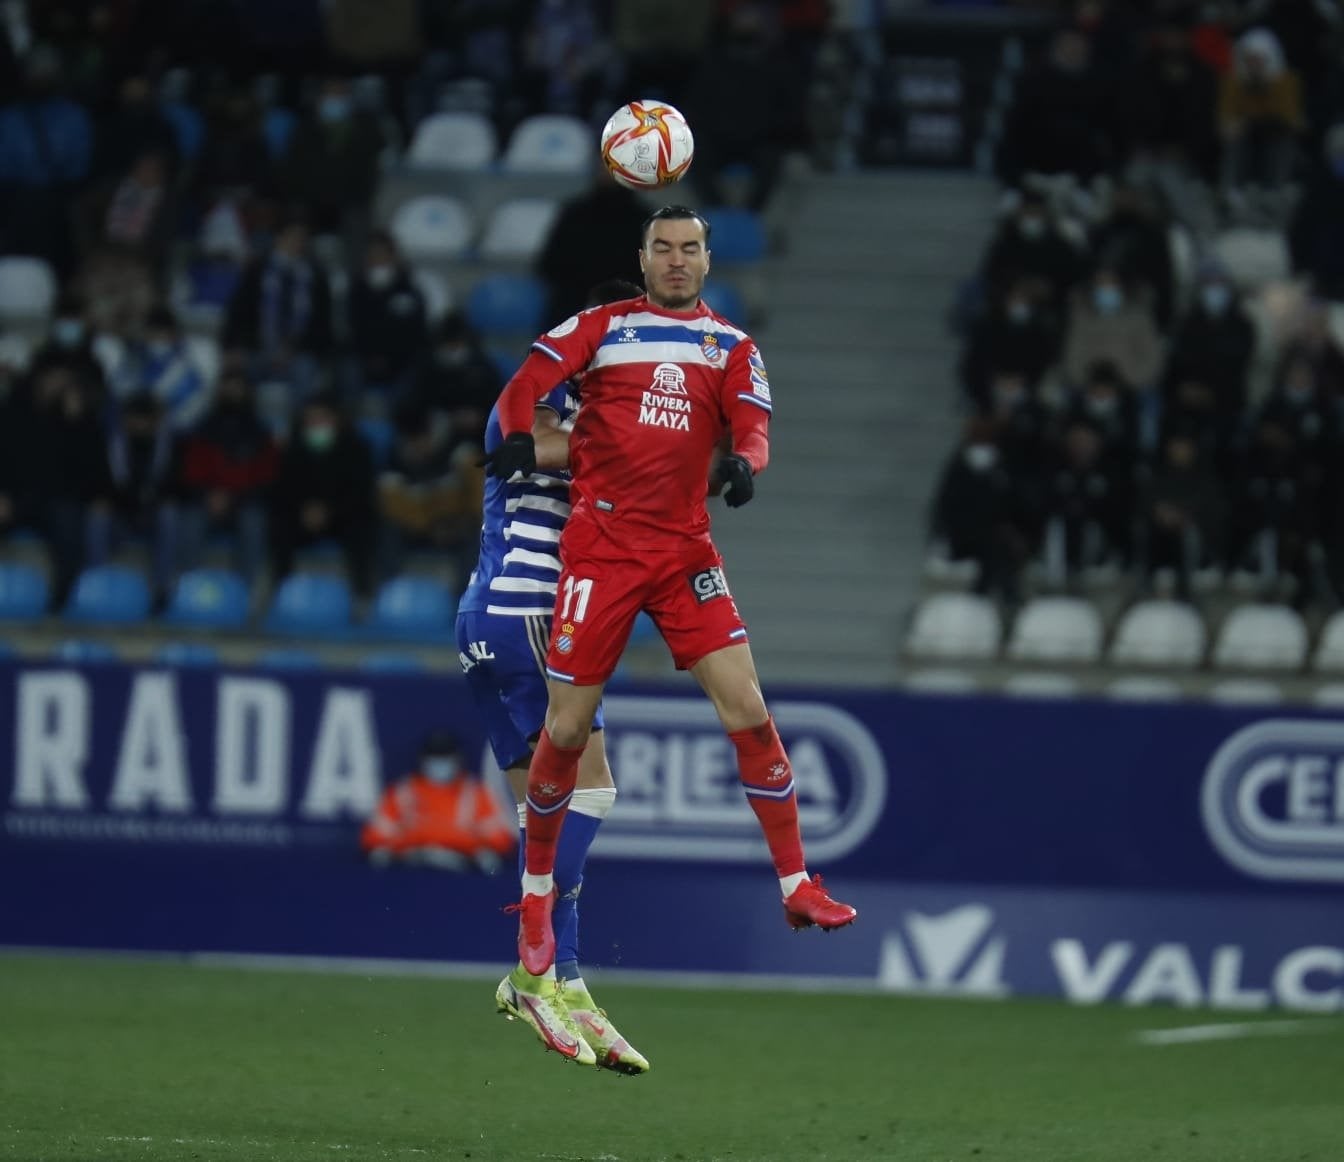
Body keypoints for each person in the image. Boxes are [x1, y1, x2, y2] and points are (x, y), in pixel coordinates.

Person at [482, 206, 857, 1041]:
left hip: (684, 550)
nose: (678, 261)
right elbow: (524, 385)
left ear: (708, 260)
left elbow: (754, 425)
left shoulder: (731, 347)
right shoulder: (602, 328)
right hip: (603, 549)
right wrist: (515, 435)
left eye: (691, 249)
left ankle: (796, 883)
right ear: (644, 257)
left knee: (749, 709)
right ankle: (537, 906)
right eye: (664, 248)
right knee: (568, 728)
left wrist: (744, 465)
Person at [458, 278, 650, 1073]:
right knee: (593, 789)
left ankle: (566, 982)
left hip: (481, 622)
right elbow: (536, 441)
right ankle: (533, 971)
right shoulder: (549, 399)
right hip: (533, 617)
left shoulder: (568, 401)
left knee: (545, 814)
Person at [361, 732, 515, 872]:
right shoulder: (403, 793)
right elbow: (373, 837)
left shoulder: (475, 794)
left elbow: (500, 839)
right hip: (409, 872)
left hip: (461, 873)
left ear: (458, 759)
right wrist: (419, 847)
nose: (440, 764)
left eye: (446, 757)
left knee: (489, 862)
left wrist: (455, 845)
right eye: (434, 758)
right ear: (422, 760)